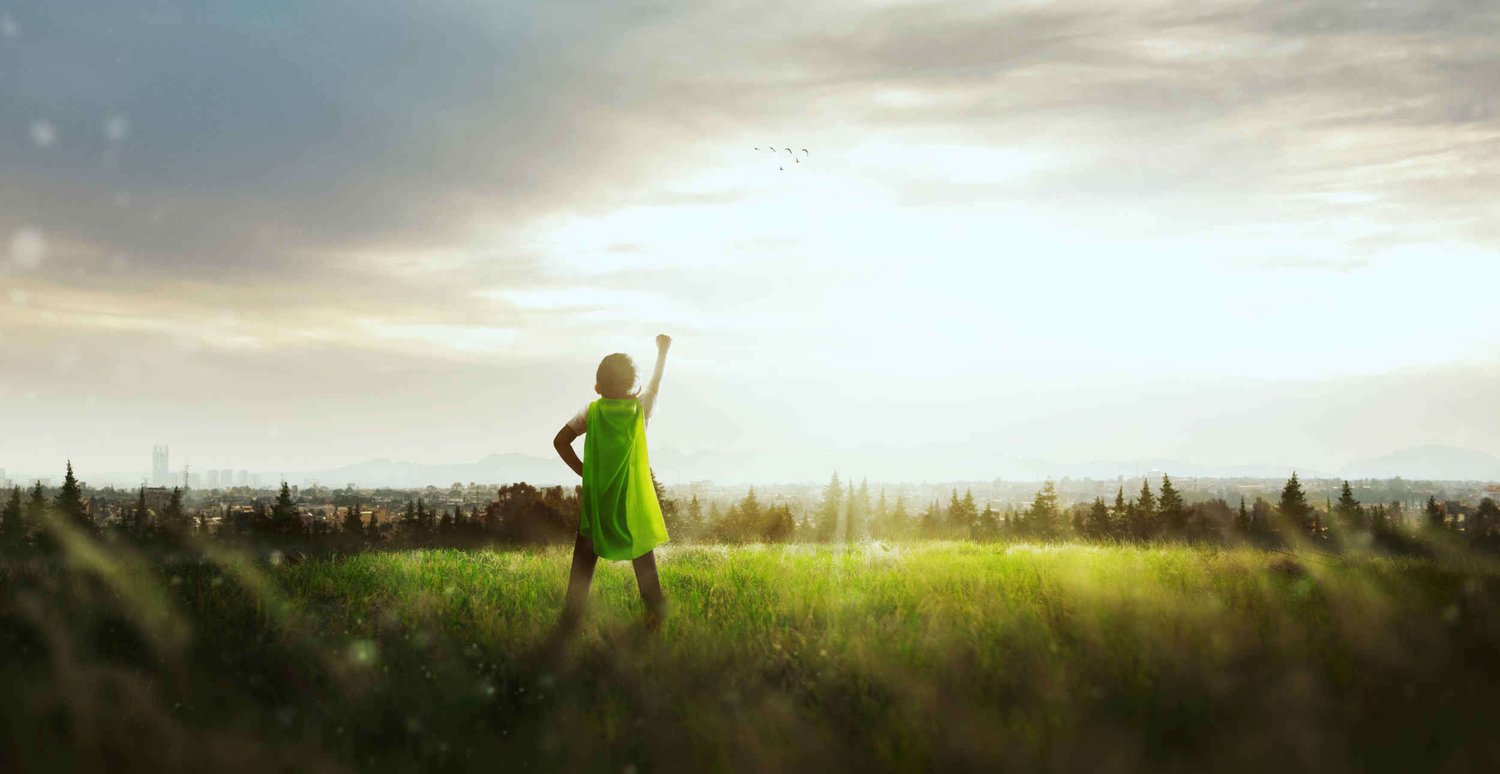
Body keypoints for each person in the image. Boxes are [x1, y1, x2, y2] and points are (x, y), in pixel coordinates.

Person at [552, 334, 673, 634]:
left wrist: (586, 473)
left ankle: (571, 618)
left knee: (584, 557)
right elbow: (656, 384)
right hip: (631, 504)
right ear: (636, 389)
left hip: (598, 502)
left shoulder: (590, 412)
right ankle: (656, 615)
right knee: (642, 556)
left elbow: (560, 441)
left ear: (597, 387)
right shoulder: (640, 410)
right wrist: (662, 352)